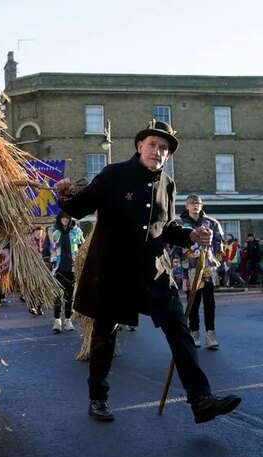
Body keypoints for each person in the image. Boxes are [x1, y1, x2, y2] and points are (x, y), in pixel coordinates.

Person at [54, 120, 241, 424]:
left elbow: (165, 227)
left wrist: (190, 235)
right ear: (140, 146)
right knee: (104, 336)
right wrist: (64, 196)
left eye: (164, 148)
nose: (158, 151)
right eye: (153, 145)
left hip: (154, 271)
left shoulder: (167, 184)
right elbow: (78, 207)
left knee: (178, 328)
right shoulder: (114, 174)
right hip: (113, 270)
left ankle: (201, 399)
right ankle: (97, 398)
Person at [175, 194, 222, 349]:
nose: (195, 205)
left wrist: (217, 260)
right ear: (186, 206)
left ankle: (210, 334)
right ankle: (194, 333)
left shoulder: (212, 223)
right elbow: (174, 247)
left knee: (209, 301)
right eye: (192, 203)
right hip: (189, 267)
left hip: (207, 266)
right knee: (192, 302)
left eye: (198, 203)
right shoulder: (180, 224)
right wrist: (176, 266)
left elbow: (218, 244)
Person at [47, 211, 84, 334]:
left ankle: (68, 320)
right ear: (60, 219)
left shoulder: (76, 232)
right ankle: (57, 321)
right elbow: (47, 249)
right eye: (63, 218)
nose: (65, 220)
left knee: (69, 296)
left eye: (67, 218)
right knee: (58, 294)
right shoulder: (53, 232)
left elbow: (82, 248)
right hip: (58, 268)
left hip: (72, 268)